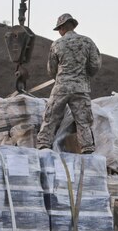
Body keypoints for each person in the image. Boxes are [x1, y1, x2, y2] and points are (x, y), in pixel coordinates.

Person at [36, 13, 101, 153]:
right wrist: (84, 75)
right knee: (83, 121)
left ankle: (43, 146)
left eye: (59, 28)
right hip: (81, 87)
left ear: (63, 27)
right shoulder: (87, 42)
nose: (59, 32)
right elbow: (95, 65)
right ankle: (87, 148)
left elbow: (51, 69)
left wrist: (61, 78)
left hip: (61, 87)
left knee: (50, 117)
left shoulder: (57, 44)